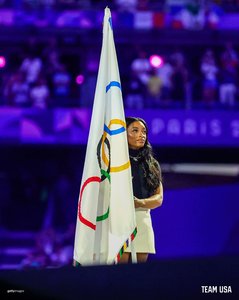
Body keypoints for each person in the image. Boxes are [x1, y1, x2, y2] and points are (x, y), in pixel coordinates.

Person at [120, 117, 163, 263]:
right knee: (120, 272)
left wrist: (139, 203)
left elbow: (159, 198)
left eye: (144, 131)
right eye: (135, 130)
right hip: (119, 219)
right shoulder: (115, 161)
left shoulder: (152, 164)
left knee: (139, 274)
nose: (141, 135)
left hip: (143, 219)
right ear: (124, 133)